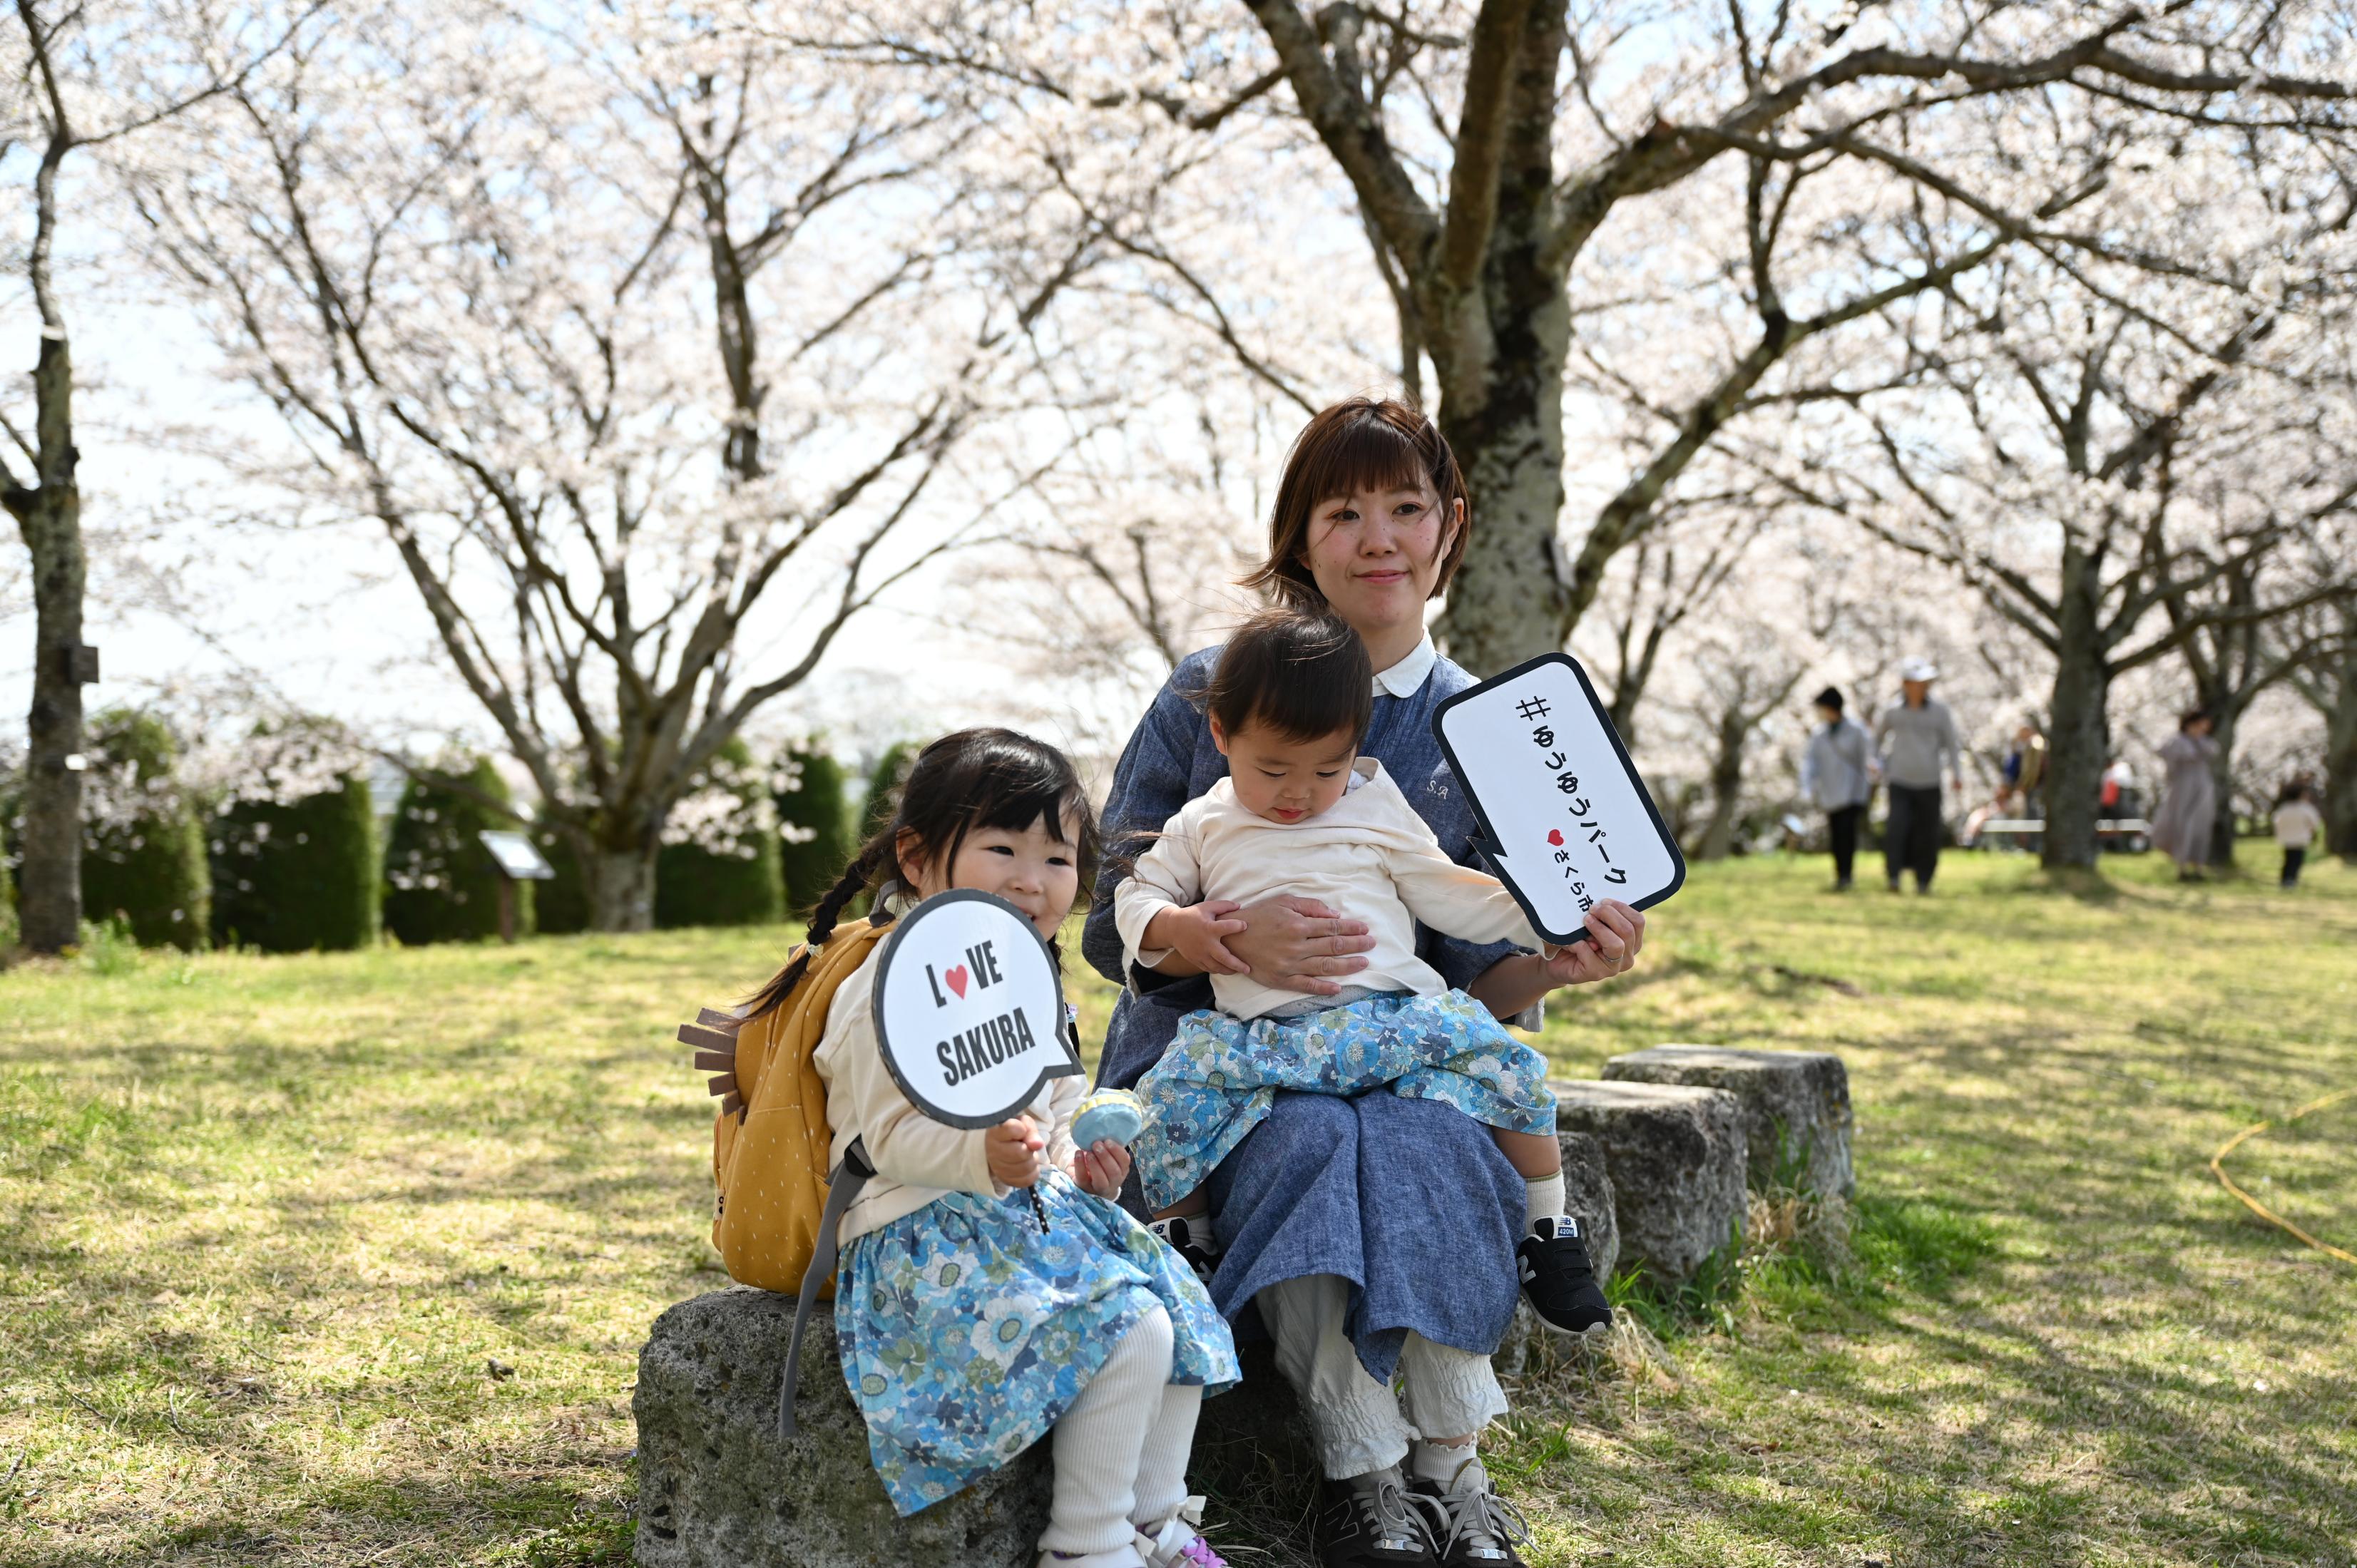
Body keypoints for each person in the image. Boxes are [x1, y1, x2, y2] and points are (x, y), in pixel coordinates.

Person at [1083, 396, 1645, 1568]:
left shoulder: (1492, 728)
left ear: (1452, 526)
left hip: (1399, 1054)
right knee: (1308, 1144)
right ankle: (1369, 1471)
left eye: (1406, 506)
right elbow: (1107, 905)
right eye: (1344, 510)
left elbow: (1483, 969)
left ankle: (1452, 1463)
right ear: (1300, 538)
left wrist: (1562, 952)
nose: (1378, 535)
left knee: (1413, 1141)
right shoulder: (1212, 689)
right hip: (1217, 1066)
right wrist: (1219, 938)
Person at [754, 728, 1240, 1568]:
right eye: (1001, 848)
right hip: (919, 1233)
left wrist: (1073, 1161)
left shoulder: (1028, 970)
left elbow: (1053, 1105)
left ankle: (1157, 1524)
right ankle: (1084, 1546)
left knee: (1175, 1300)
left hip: (1021, 1216)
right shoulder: (888, 977)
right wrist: (979, 1158)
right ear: (915, 857)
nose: (1031, 878)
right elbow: (877, 1139)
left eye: (1057, 858)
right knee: (1126, 1328)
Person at [1110, 607, 1609, 1340]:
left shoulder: (1373, 802)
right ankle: (1188, 1244)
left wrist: (1545, 916)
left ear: (1354, 747)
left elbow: (1442, 891)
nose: (1298, 792)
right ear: (1221, 738)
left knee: (1509, 1069)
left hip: (1389, 1024)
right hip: (1264, 1041)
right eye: (1272, 768)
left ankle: (1547, 1232)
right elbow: (1133, 897)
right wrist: (1176, 927)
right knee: (1168, 1100)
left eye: (1326, 768)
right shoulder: (1203, 822)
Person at [1872, 659, 1964, 893]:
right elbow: (1876, 740)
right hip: (1900, 779)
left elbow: (1952, 744)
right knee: (1897, 828)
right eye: (1915, 683)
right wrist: (1874, 763)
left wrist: (1957, 773)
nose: (1920, 687)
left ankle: (1924, 880)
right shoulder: (1893, 711)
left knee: (1928, 832)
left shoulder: (1940, 712)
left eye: (1924, 683)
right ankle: (1893, 876)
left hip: (1930, 780)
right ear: (1905, 684)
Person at [1798, 686, 1873, 889]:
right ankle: (1840, 874)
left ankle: (1846, 876)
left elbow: (1869, 757)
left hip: (1852, 792)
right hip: (1830, 792)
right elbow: (1810, 763)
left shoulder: (1856, 730)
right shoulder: (1819, 734)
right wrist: (1807, 787)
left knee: (1847, 833)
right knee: (1836, 835)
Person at [2150, 710, 2219, 881]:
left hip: (2203, 787)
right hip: (2183, 787)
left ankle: (2199, 867)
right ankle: (2182, 867)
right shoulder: (2177, 741)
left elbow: (2213, 751)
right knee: (2182, 823)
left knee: (2200, 824)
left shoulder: (2205, 743)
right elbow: (2163, 752)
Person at [2272, 780, 2324, 888]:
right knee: (2296, 861)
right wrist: (2312, 832)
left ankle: (2285, 879)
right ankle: (2291, 880)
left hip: (2286, 838)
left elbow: (2277, 822)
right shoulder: (2305, 808)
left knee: (2288, 860)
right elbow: (2315, 822)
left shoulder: (2284, 808)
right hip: (2300, 838)